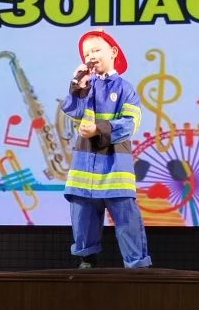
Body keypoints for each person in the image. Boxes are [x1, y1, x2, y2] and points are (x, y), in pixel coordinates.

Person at [61, 28, 151, 269]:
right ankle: (86, 259)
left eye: (96, 50)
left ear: (113, 52)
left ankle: (137, 264)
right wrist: (77, 86)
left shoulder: (125, 88)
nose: (91, 56)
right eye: (86, 53)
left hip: (115, 166)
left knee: (126, 217)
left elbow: (130, 124)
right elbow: (74, 111)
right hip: (84, 165)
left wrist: (98, 129)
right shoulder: (86, 86)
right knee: (83, 214)